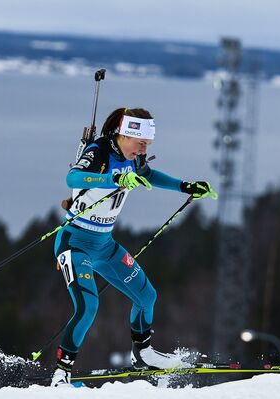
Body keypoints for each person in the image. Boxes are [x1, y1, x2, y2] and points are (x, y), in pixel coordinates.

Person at [51, 107, 217, 387]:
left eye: (148, 145)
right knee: (88, 305)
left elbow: (149, 175)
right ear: (123, 135)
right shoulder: (100, 150)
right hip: (75, 242)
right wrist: (114, 179)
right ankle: (61, 373)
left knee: (146, 296)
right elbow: (73, 178)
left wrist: (187, 186)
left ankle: (144, 353)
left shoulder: (134, 157)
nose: (143, 149)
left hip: (104, 245)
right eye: (140, 143)